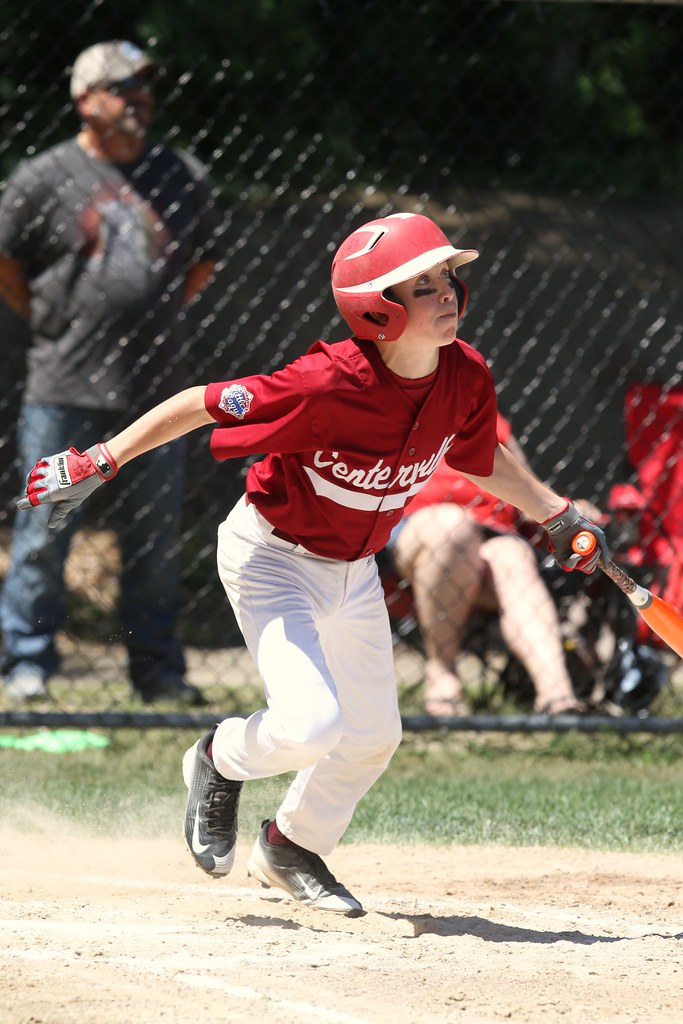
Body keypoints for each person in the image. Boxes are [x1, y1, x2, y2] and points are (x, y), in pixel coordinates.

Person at [15, 212, 610, 916]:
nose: (446, 291)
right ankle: (218, 758)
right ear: (377, 308)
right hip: (271, 558)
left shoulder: (464, 375)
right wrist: (100, 460)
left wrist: (554, 511)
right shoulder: (326, 383)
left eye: (446, 276)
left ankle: (291, 844)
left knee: (373, 737)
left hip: (353, 570)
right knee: (312, 724)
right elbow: (199, 405)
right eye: (420, 285)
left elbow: (477, 456)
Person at [0, 40, 223, 705]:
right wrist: (45, 318)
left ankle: (156, 674)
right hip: (63, 387)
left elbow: (201, 264)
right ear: (85, 99)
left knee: (153, 542)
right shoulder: (44, 176)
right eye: (124, 88)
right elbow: (6, 259)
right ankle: (28, 665)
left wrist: (150, 314)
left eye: (144, 88)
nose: (139, 100)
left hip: (156, 395)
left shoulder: (180, 175)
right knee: (45, 531)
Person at [386, 411, 597, 716]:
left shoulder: (489, 418)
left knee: (512, 556)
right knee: (452, 528)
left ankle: (556, 694)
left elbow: (528, 493)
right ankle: (442, 672)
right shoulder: (396, 404)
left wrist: (568, 510)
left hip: (491, 536)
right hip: (418, 532)